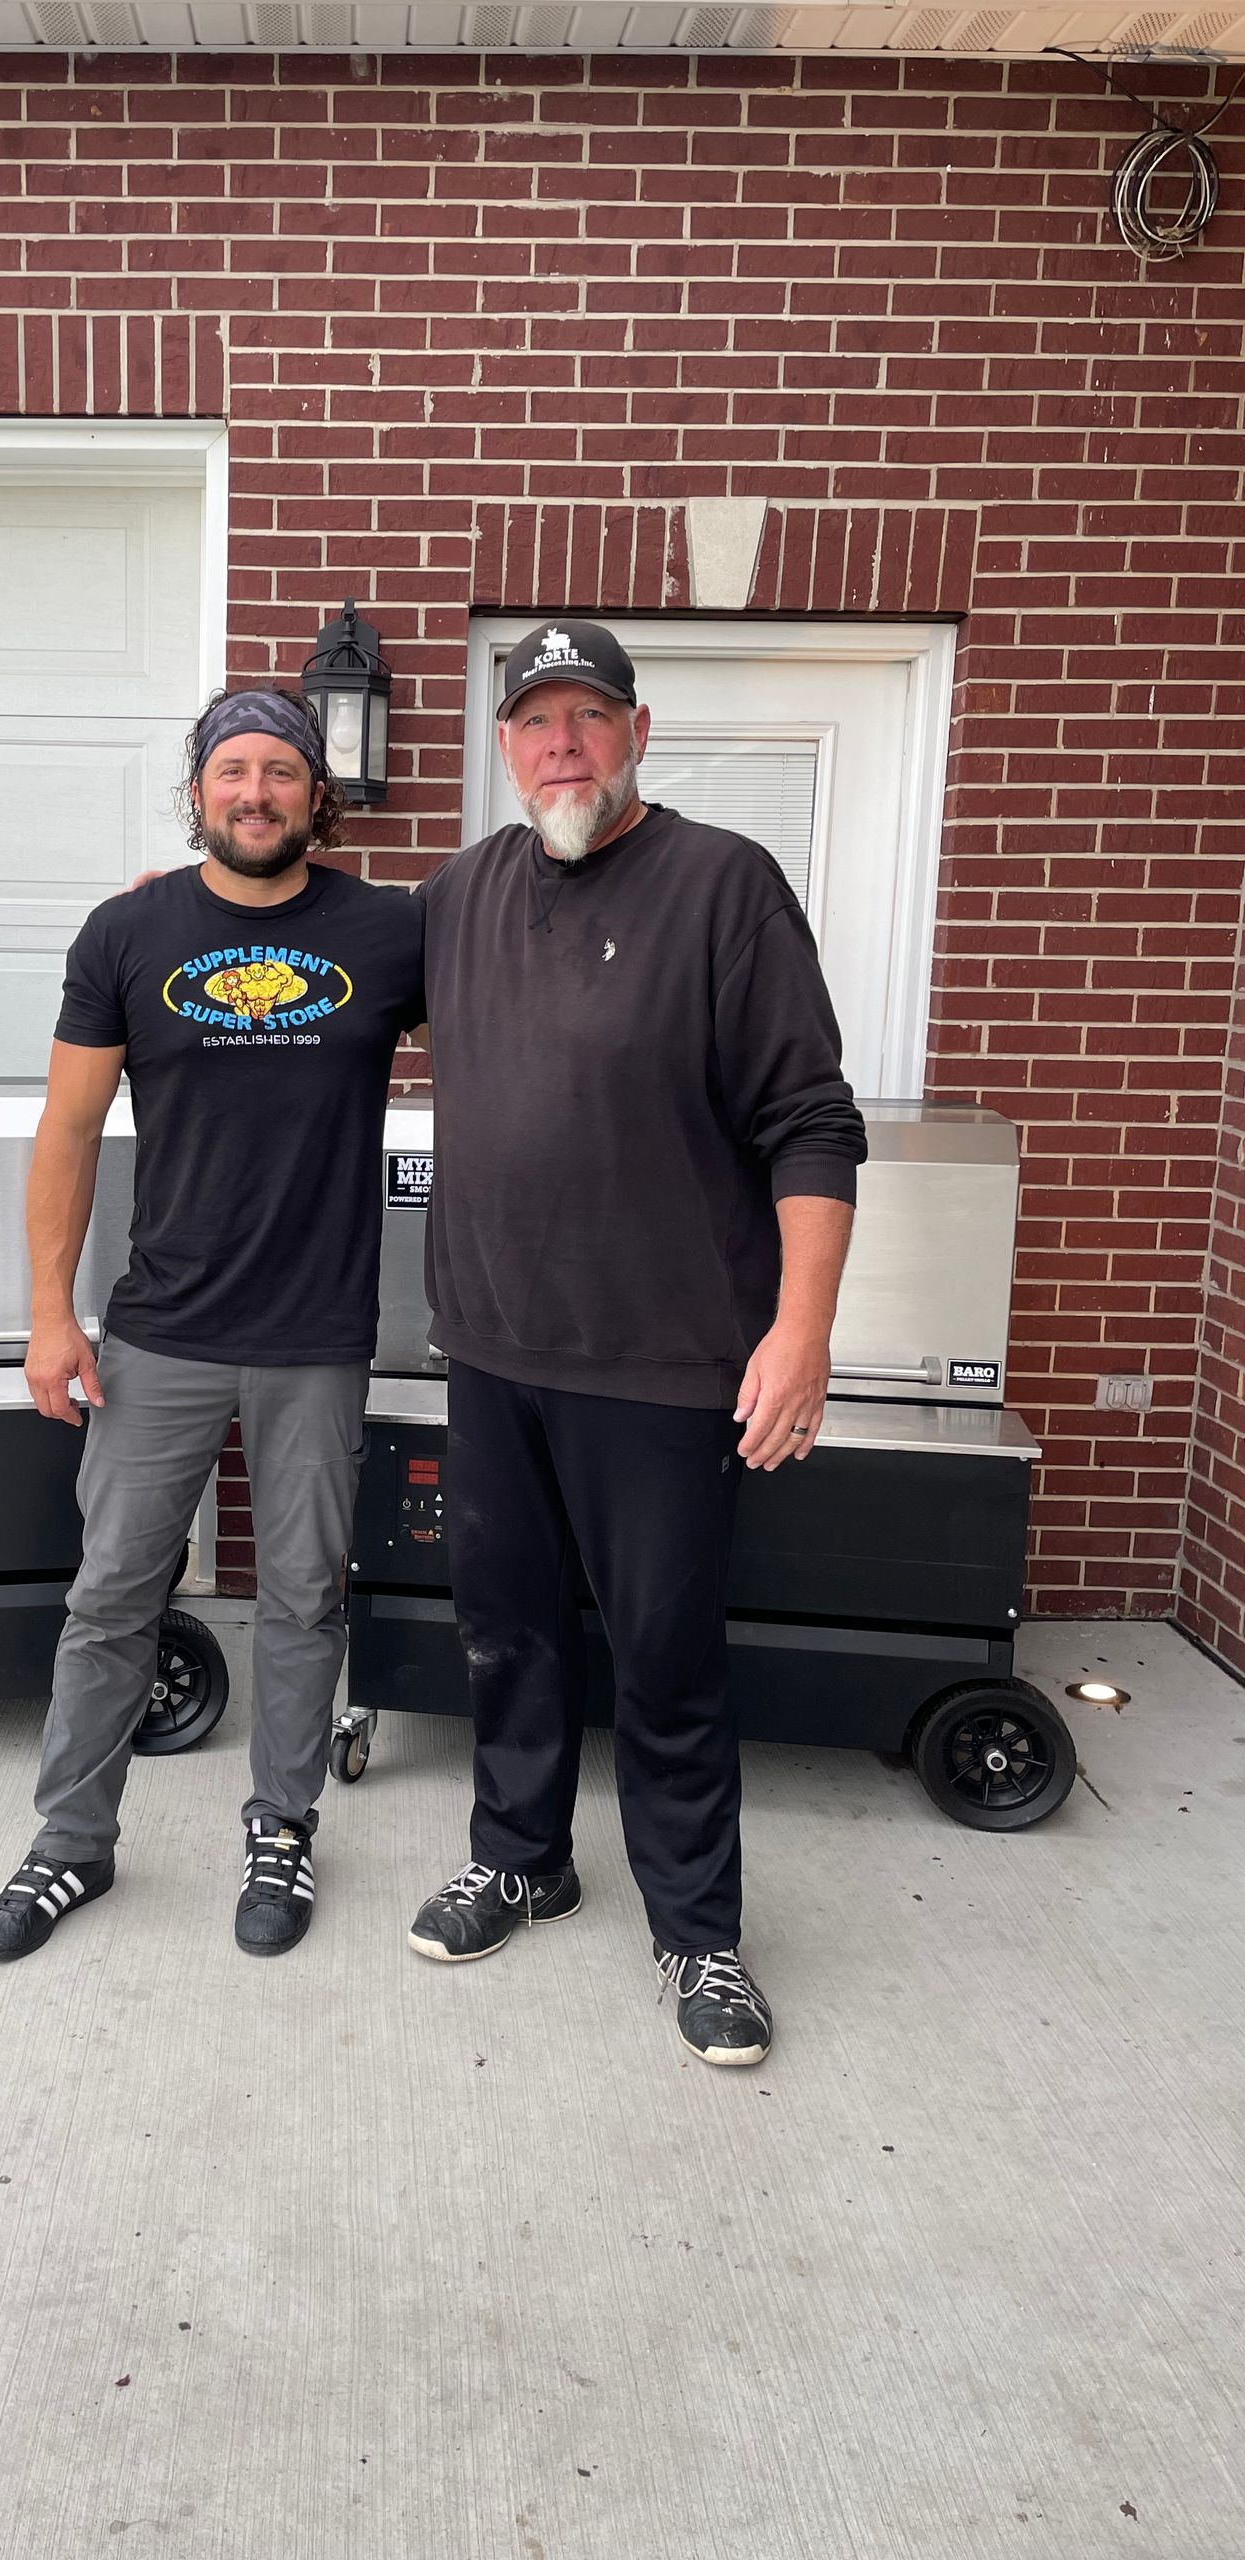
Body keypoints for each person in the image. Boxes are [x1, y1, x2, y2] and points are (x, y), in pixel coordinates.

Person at [406, 621, 866, 2068]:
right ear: (502, 747)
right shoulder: (458, 896)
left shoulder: (724, 887)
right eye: (536, 719)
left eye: (589, 716)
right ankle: (521, 1858)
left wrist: (802, 1329)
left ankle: (697, 1931)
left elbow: (812, 1119)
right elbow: (313, 957)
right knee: (506, 1634)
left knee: (667, 1658)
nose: (564, 743)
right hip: (492, 1348)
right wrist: (189, 910)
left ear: (638, 732)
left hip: (664, 1365)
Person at [0, 689, 425, 1964]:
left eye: (281, 771)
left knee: (301, 1597)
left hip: (316, 1333)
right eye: (233, 770)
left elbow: (516, 991)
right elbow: (68, 1130)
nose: (255, 792)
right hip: (161, 1326)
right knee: (113, 1592)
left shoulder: (392, 932)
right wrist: (50, 1314)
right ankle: (71, 1840)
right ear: (198, 791)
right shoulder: (130, 932)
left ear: (317, 797)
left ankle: (281, 1826)